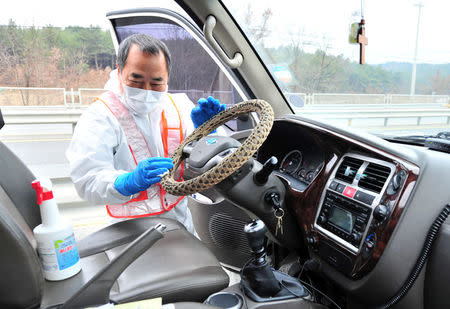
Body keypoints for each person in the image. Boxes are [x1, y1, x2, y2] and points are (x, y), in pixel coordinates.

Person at [66, 34, 226, 234]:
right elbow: (87, 180)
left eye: (156, 82)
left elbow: (198, 163)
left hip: (181, 225)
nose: (147, 90)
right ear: (119, 71)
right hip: (130, 233)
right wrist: (128, 182)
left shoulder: (179, 107)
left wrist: (207, 133)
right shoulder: (101, 116)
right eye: (137, 80)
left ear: (167, 77)